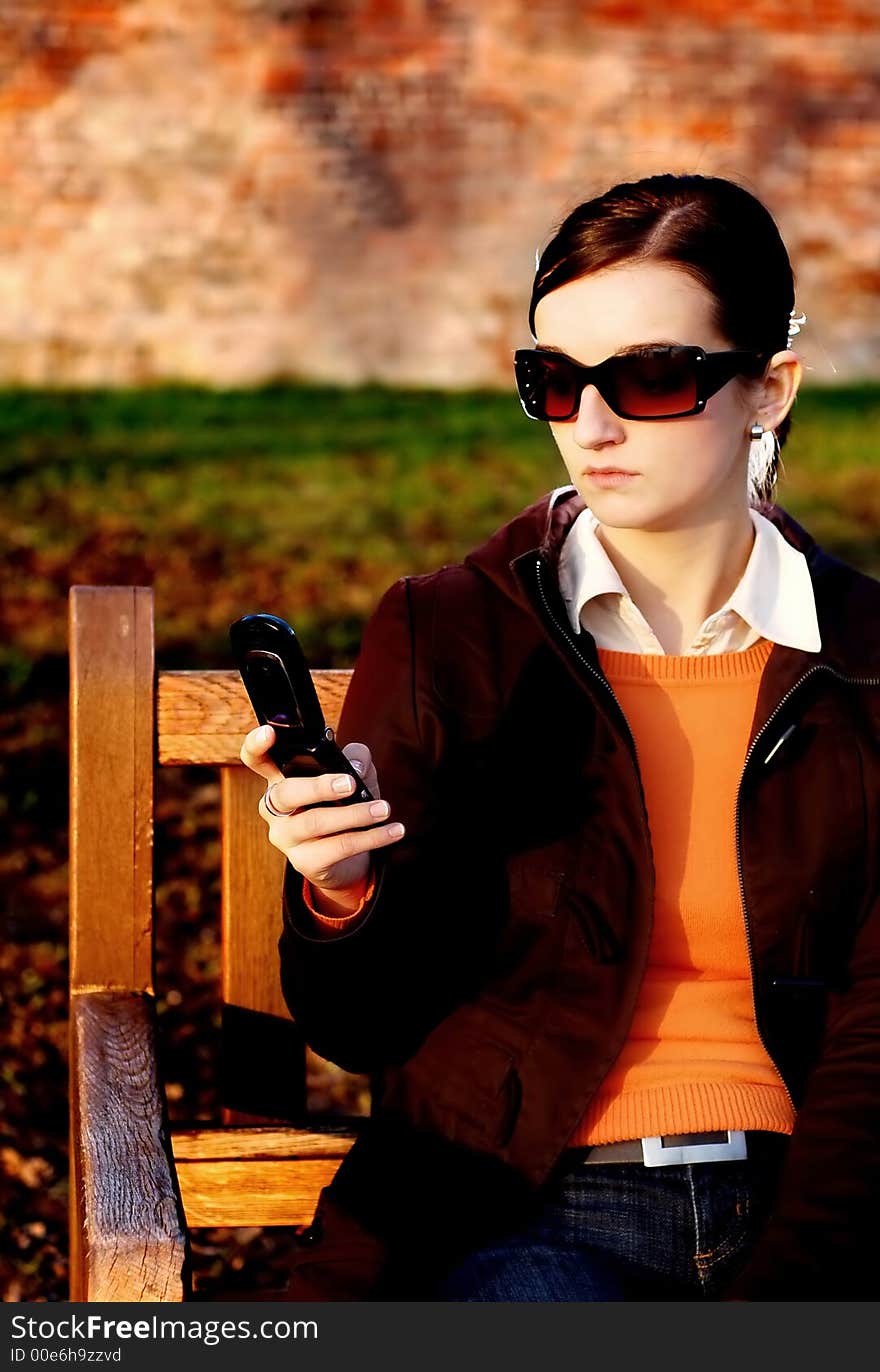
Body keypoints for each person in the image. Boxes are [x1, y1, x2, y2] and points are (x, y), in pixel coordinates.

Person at [240, 173, 880, 1301]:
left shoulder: (867, 658)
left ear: (768, 389)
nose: (589, 424)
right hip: (538, 1208)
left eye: (650, 376)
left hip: (826, 1201)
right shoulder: (450, 630)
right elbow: (367, 1025)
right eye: (553, 379)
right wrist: (343, 890)